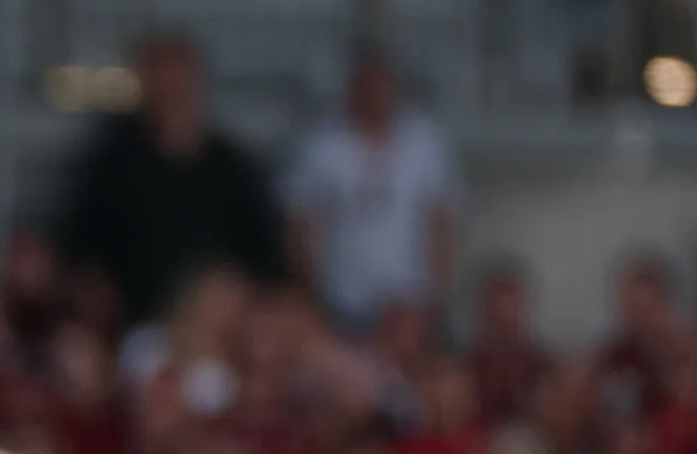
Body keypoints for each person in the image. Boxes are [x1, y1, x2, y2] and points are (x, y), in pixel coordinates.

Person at [57, 33, 285, 324]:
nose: (167, 86)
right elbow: (80, 237)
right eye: (158, 74)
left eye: (176, 75)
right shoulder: (110, 157)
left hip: (212, 326)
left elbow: (260, 247)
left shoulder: (230, 164)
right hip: (129, 319)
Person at [282, 53, 462, 334]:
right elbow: (302, 226)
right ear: (352, 90)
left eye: (384, 86)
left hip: (411, 300)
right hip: (343, 301)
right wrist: (310, 294)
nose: (376, 95)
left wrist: (441, 292)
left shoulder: (425, 144)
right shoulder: (321, 146)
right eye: (368, 86)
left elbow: (442, 222)